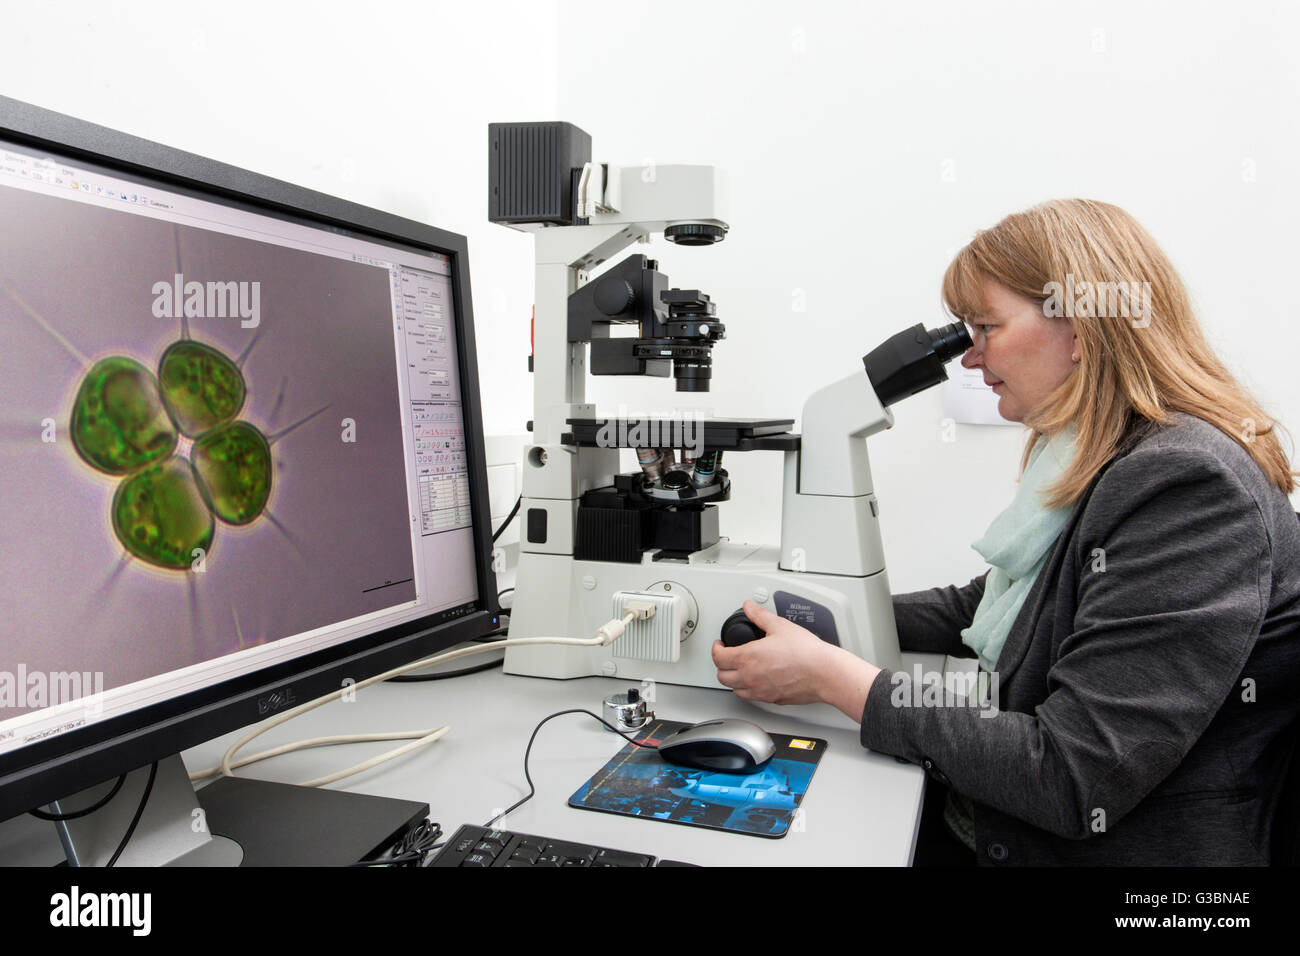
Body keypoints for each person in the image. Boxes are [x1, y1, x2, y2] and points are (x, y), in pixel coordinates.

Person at [711, 199, 1300, 865]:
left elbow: (1072, 774)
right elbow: (988, 606)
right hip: (987, 818)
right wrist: (814, 618)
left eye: (986, 327)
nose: (968, 358)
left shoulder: (1187, 486)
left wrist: (835, 678)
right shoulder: (1107, 453)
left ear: (1082, 328)